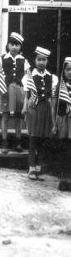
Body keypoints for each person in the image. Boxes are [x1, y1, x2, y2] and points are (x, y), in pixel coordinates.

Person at [22, 47, 58, 180]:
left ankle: (38, 167)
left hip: (46, 110)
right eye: (39, 59)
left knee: (42, 140)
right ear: (34, 60)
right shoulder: (29, 77)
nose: (41, 62)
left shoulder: (52, 78)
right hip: (33, 110)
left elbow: (52, 99)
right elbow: (26, 96)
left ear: (47, 61)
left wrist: (53, 117)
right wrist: (24, 108)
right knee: (33, 139)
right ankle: (31, 168)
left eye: (44, 60)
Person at [0, 32, 29, 153]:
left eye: (17, 45)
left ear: (20, 46)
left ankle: (18, 142)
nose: (14, 47)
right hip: (5, 91)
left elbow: (26, 77)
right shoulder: (2, 59)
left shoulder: (24, 60)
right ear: (8, 45)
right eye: (12, 44)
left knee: (18, 116)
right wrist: (2, 87)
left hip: (18, 91)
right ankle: (4, 142)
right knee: (5, 116)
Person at [53, 57, 71, 190]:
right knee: (63, 146)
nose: (70, 72)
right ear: (64, 71)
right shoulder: (59, 87)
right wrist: (54, 123)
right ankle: (63, 178)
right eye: (68, 69)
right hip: (63, 118)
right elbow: (54, 107)